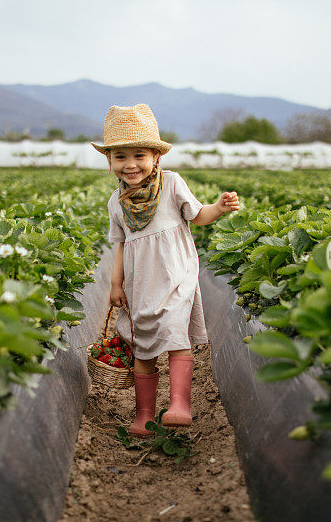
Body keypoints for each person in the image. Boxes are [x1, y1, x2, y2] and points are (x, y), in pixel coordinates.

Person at [91, 104, 240, 436]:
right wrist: (116, 284)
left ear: (155, 157)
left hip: (176, 275)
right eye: (120, 157)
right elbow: (122, 244)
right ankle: (143, 414)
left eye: (139, 155)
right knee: (141, 344)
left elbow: (197, 215)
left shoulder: (172, 185)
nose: (130, 164)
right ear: (110, 161)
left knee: (175, 332)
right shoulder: (116, 203)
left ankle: (179, 404)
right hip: (140, 283)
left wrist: (218, 207)